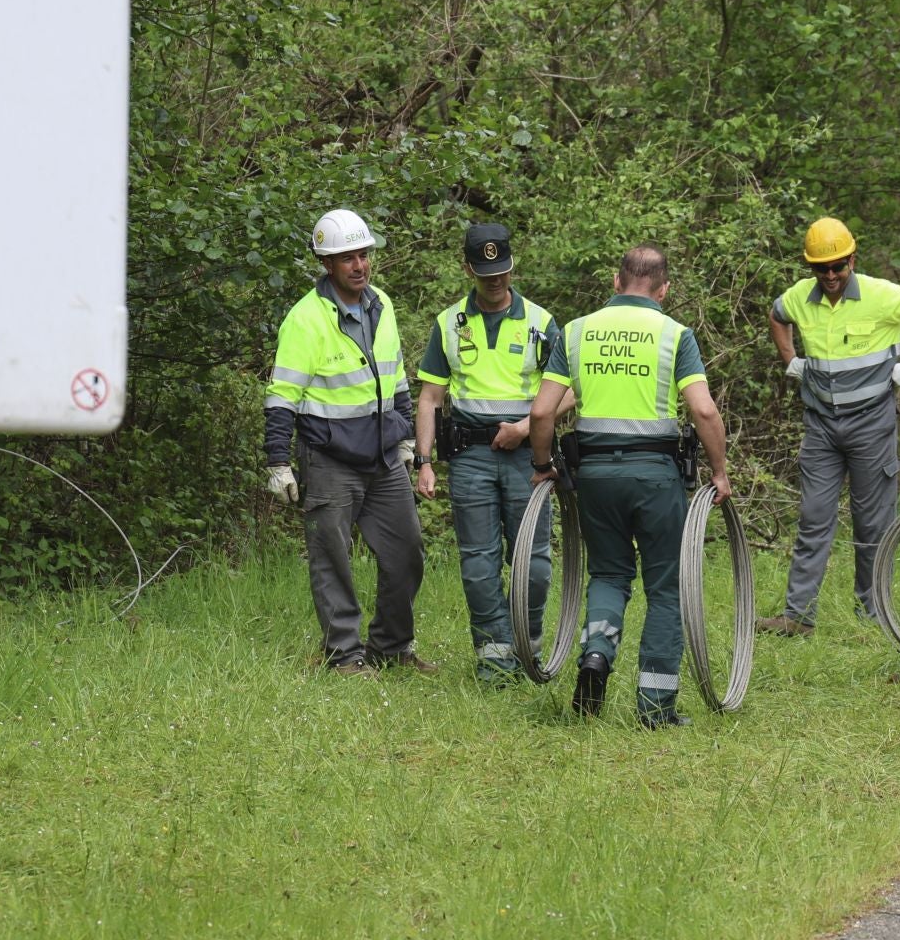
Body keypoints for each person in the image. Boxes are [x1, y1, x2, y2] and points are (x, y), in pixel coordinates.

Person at [527, 243, 731, 727]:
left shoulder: (576, 331)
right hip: (656, 477)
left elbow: (541, 412)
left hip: (594, 476)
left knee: (609, 575)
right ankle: (656, 708)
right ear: (664, 290)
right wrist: (720, 471)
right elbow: (702, 410)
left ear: (616, 283)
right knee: (665, 588)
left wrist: (542, 465)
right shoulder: (674, 334)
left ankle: (596, 656)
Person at [264, 209, 434, 676]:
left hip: (382, 458)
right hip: (329, 459)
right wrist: (278, 461)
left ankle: (392, 647)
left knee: (406, 551)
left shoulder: (382, 304)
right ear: (327, 263)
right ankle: (344, 655)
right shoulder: (305, 319)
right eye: (347, 259)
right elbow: (283, 395)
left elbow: (396, 376)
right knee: (332, 559)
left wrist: (402, 434)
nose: (359, 265)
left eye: (364, 255)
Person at [414, 223, 572, 682]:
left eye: (501, 271)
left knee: (534, 563)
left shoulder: (541, 322)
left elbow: (568, 392)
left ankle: (529, 646)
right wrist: (424, 461)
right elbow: (430, 397)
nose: (495, 280)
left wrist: (527, 428)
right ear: (467, 268)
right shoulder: (448, 324)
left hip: (528, 456)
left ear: (511, 265)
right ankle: (495, 658)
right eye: (485, 273)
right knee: (479, 564)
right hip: (470, 457)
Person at [758, 217, 900, 637]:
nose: (830, 276)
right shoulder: (799, 297)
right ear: (810, 267)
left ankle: (873, 615)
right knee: (813, 518)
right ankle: (798, 617)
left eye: (837, 266)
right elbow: (776, 315)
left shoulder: (880, 294)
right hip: (821, 427)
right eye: (821, 268)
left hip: (872, 423)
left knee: (873, 524)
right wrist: (790, 361)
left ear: (852, 259)